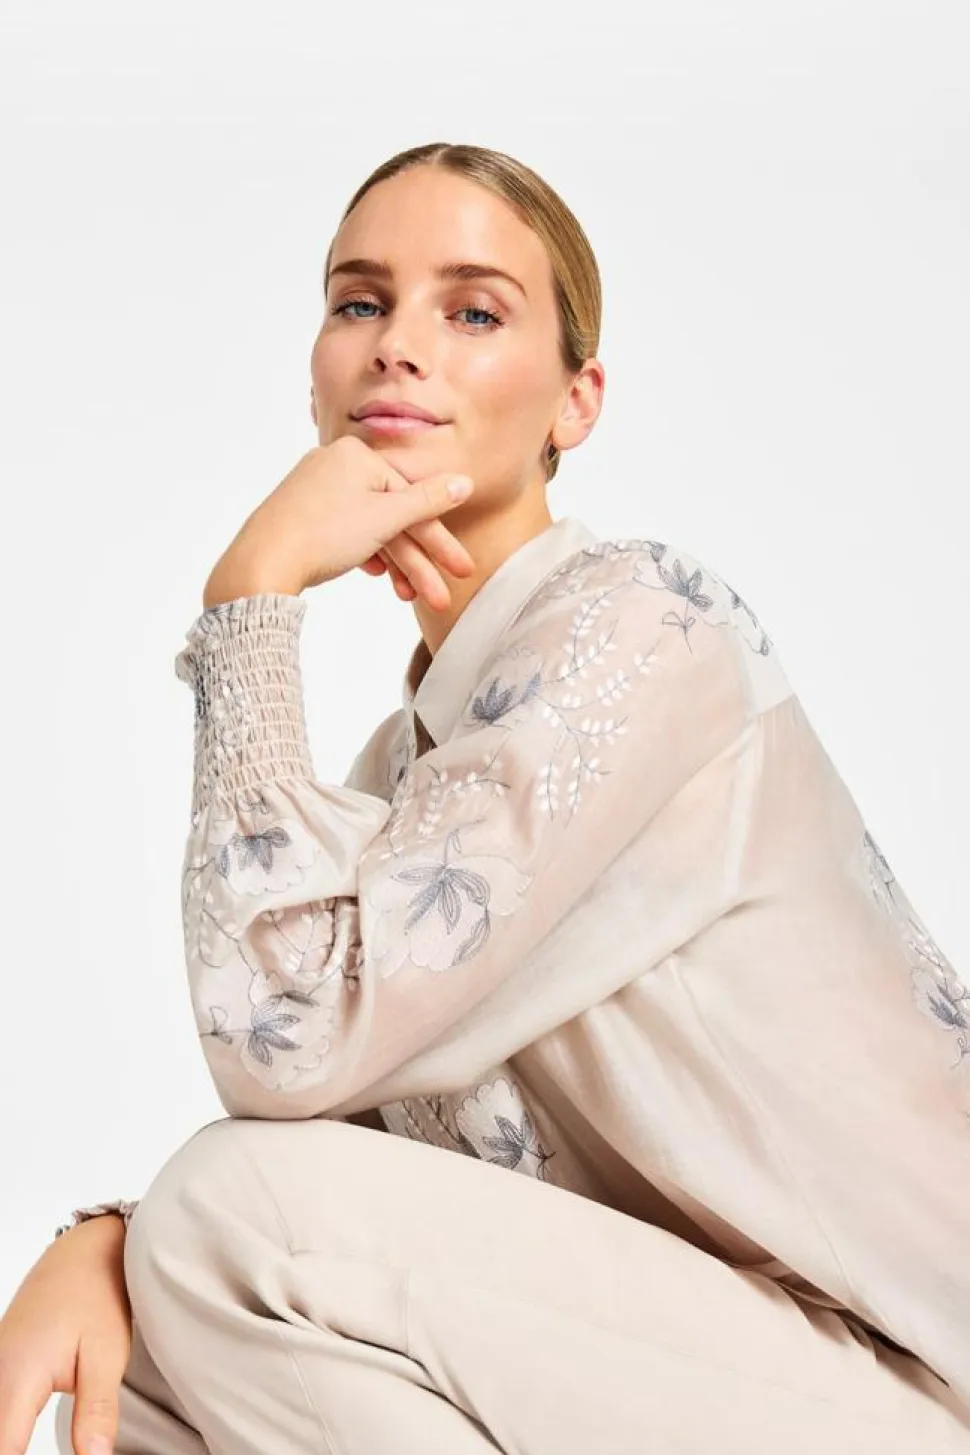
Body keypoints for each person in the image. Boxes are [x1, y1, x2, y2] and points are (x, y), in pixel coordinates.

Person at [1, 141, 968, 1455]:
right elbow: (345, 1138)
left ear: (577, 401)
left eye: (471, 312)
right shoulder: (400, 782)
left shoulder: (644, 629)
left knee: (227, 1220)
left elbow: (286, 1051)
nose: (399, 346)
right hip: (700, 1376)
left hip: (904, 1381)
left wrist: (252, 597)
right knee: (150, 1379)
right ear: (316, 376)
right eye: (360, 303)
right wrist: (111, 1245)